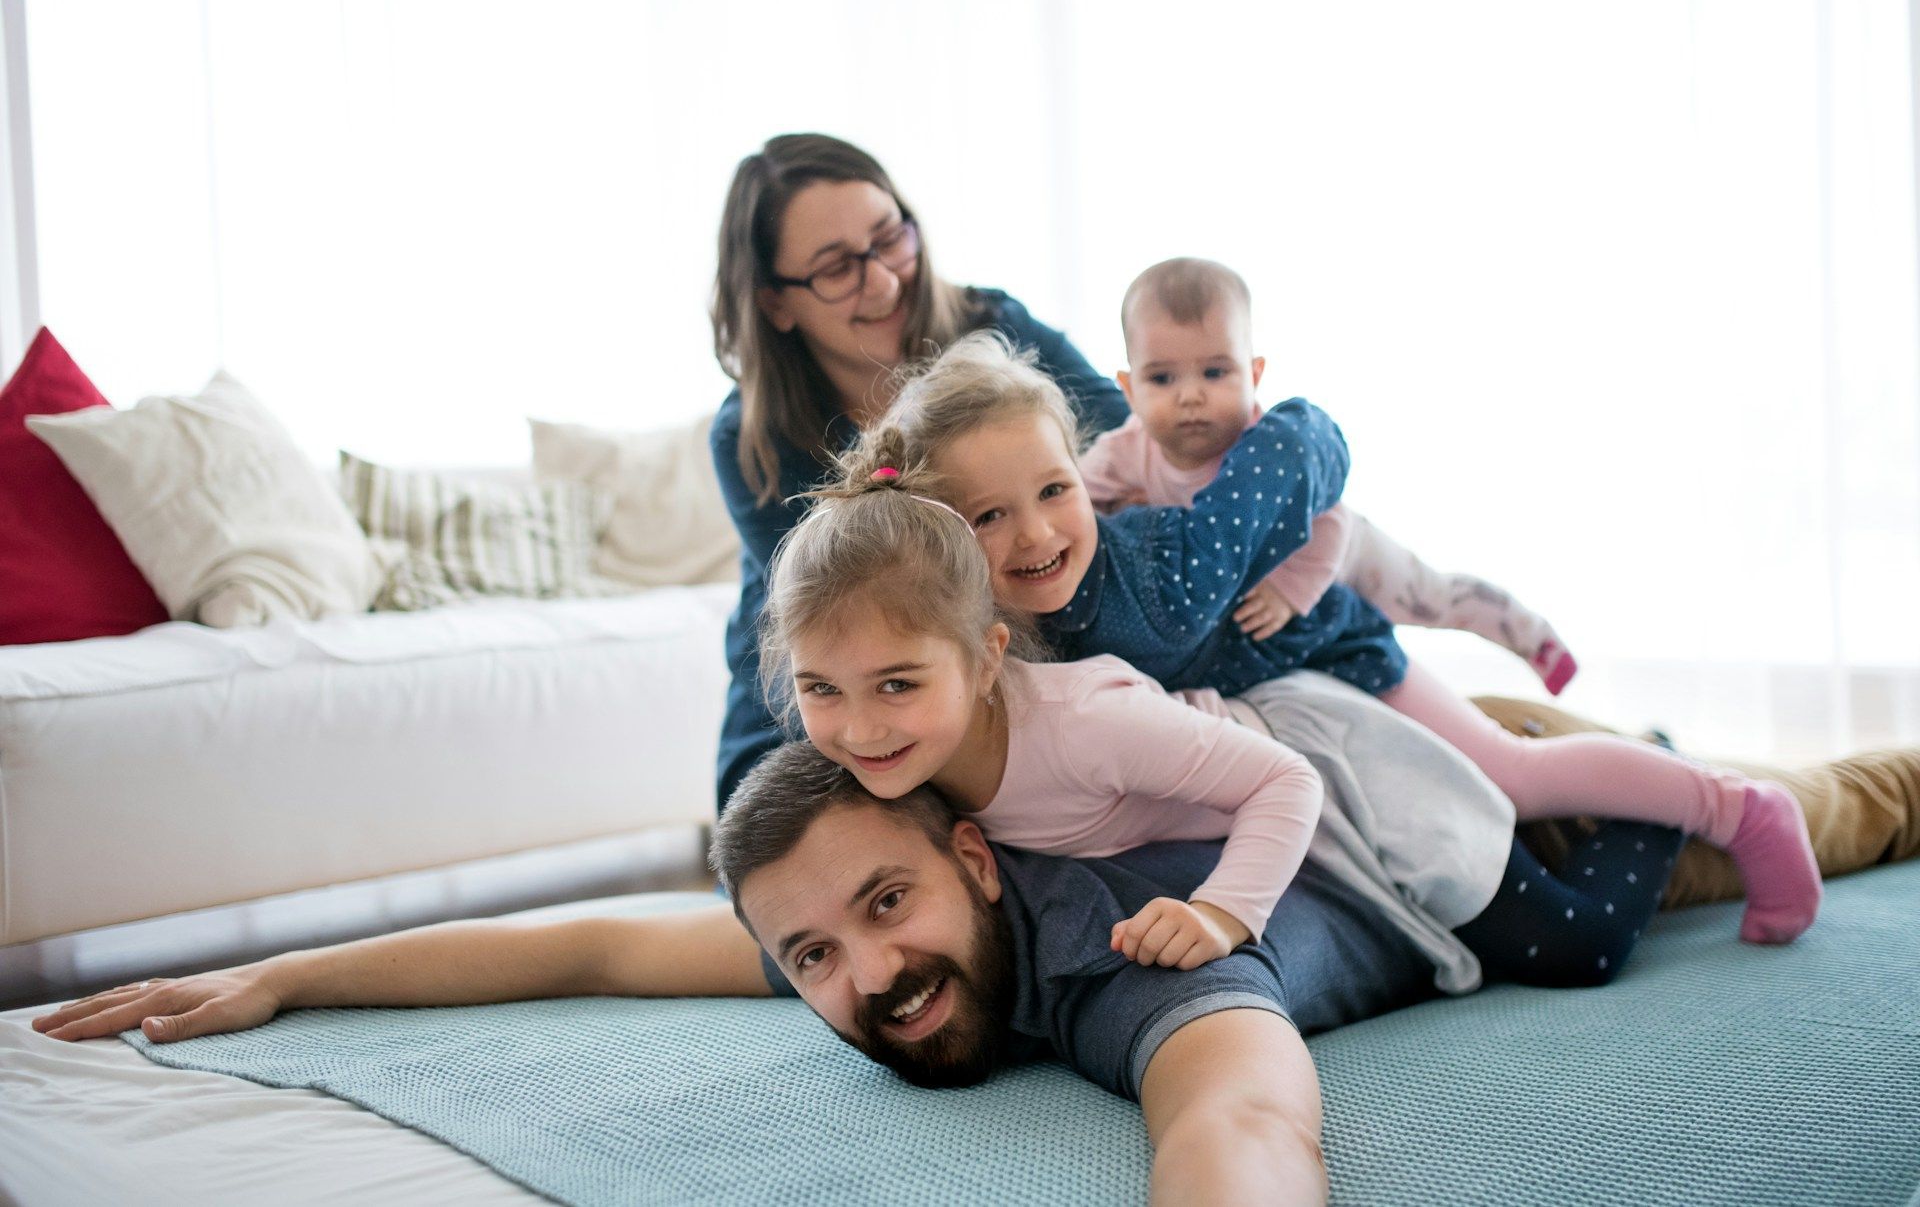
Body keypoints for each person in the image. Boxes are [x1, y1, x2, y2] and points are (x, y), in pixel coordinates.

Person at [28, 739, 1469, 1205]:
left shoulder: (1117, 960)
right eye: (812, 953)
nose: (873, 972)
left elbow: (1246, 1119)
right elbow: (584, 940)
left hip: (1424, 832)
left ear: (976, 856)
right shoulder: (870, 933)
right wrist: (287, 974)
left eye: (886, 899)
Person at [860, 331, 1821, 943]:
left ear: (1084, 473)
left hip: (1332, 649)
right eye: (987, 517)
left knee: (1512, 776)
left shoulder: (1165, 570)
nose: (1032, 534)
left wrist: (1288, 514)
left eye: (1052, 493)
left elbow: (1301, 434)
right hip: (1272, 714)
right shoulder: (983, 629)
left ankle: (1737, 808)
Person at [760, 454, 1679, 984]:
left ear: (988, 657)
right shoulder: (871, 764)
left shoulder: (1086, 725)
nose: (859, 727)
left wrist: (1223, 915)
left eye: (895, 685)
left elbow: (1287, 782)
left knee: (1575, 946)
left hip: (1330, 763)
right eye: (821, 689)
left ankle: (1652, 773)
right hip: (1248, 781)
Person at [708, 133, 1130, 811]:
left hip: (997, 664)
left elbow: (1129, 448)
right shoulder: (750, 438)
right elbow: (861, 621)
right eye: (836, 268)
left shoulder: (992, 324)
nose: (884, 279)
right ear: (774, 302)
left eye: (889, 237)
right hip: (834, 697)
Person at [1080, 257, 1577, 694]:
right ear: (1127, 387)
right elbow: (1075, 501)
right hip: (1292, 599)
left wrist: (1290, 591)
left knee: (1432, 600)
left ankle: (1532, 638)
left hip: (1344, 556)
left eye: (1215, 373)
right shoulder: (1125, 451)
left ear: (1253, 376)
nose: (1190, 396)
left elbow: (1329, 522)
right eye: (1162, 378)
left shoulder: (1263, 445)